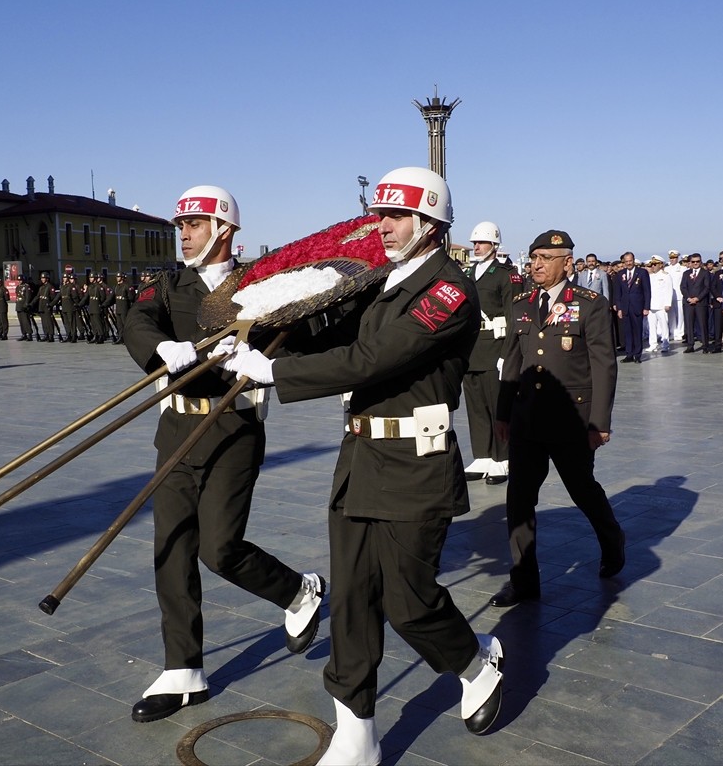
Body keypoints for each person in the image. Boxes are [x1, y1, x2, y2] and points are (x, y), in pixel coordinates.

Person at [220, 167, 505, 764]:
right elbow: (333, 338)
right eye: (380, 214)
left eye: (397, 216)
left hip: (415, 464)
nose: (383, 226)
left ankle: (476, 663)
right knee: (351, 599)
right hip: (360, 458)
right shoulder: (381, 282)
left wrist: (279, 373)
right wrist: (262, 333)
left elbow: (375, 357)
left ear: (430, 224)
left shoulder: (448, 290)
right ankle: (357, 734)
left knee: (410, 601)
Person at [123, 184, 325, 725]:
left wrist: (258, 349)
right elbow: (136, 321)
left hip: (234, 428)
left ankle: (298, 589)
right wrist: (161, 347)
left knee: (220, 548)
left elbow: (304, 338)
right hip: (176, 427)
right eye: (180, 225)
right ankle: (183, 669)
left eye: (194, 224)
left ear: (224, 229)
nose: (183, 234)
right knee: (171, 547)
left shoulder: (262, 285)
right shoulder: (169, 283)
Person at [489, 228, 624, 613]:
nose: (536, 265)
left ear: (567, 263)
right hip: (527, 418)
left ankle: (612, 539)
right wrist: (502, 412)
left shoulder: (589, 304)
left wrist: (599, 423)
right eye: (533, 259)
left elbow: (604, 365)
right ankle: (523, 582)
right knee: (518, 501)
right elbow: (511, 362)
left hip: (570, 420)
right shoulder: (522, 302)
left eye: (545, 259)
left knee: (582, 490)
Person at [462, 221, 522, 485]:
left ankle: (503, 457)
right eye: (474, 242)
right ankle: (483, 454)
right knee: (476, 405)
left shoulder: (506, 275)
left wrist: (507, 354)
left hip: (496, 347)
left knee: (498, 404)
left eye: (482, 242)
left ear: (494, 245)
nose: (476, 247)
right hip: (472, 348)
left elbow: (514, 317)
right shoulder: (468, 273)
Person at [613, 251, 650, 363]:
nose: (629, 263)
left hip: (638, 307)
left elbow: (647, 291)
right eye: (626, 261)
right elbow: (618, 293)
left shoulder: (642, 272)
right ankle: (629, 354)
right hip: (625, 307)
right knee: (627, 332)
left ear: (634, 260)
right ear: (624, 262)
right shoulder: (620, 274)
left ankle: (637, 355)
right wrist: (619, 308)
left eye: (630, 261)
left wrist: (646, 307)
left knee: (637, 332)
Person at [679, 253, 710, 352]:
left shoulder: (705, 273)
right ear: (690, 263)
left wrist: (697, 298)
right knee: (689, 324)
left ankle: (705, 345)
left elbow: (706, 287)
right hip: (688, 303)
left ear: (700, 262)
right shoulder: (686, 273)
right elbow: (683, 287)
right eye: (693, 262)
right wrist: (688, 298)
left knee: (702, 324)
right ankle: (690, 345)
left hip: (701, 303)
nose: (695, 263)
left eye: (697, 261)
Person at [645, 254, 672, 354]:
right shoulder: (650, 276)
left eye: (655, 264)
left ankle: (665, 344)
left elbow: (669, 290)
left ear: (661, 265)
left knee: (664, 325)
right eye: (652, 264)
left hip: (661, 305)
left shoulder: (666, 276)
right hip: (651, 305)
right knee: (651, 326)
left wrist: (668, 303)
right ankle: (653, 344)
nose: (653, 266)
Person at [36, 273, 58, 343]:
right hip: (42, 306)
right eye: (42, 278)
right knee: (44, 321)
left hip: (47, 306)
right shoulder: (41, 287)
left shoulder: (50, 287)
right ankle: (46, 334)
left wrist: (50, 305)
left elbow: (53, 298)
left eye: (44, 278)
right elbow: (37, 297)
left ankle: (51, 335)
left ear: (47, 279)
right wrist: (31, 304)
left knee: (49, 321)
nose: (42, 279)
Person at [14, 275, 36, 341]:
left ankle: (29, 334)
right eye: (18, 280)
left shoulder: (26, 286)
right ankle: (24, 334)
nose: (19, 281)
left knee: (26, 320)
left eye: (20, 280)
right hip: (18, 305)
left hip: (24, 306)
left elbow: (28, 296)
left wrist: (26, 304)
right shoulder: (18, 287)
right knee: (21, 321)